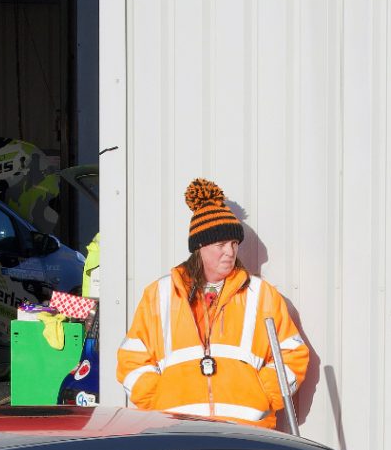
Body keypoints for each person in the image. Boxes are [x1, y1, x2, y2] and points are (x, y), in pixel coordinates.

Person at [116, 179, 310, 428]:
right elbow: (131, 358)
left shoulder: (261, 294)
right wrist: (157, 398)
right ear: (200, 247)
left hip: (246, 434)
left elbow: (292, 353)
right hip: (177, 432)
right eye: (221, 244)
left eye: (234, 244)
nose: (230, 252)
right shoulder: (161, 294)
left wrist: (265, 394)